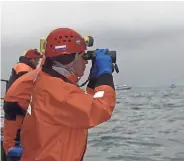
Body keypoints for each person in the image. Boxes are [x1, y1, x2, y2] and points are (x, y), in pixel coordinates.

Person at [19, 28, 116, 161]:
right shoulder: (56, 90)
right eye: (83, 56)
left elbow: (81, 105)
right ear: (69, 60)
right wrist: (105, 74)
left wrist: (94, 79)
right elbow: (99, 109)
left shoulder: (49, 81)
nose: (86, 62)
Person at [2, 49, 42, 155]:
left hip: (14, 102)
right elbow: (27, 86)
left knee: (13, 132)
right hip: (18, 103)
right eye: (37, 60)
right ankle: (12, 155)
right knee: (13, 134)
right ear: (31, 59)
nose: (37, 63)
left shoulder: (22, 67)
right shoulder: (24, 68)